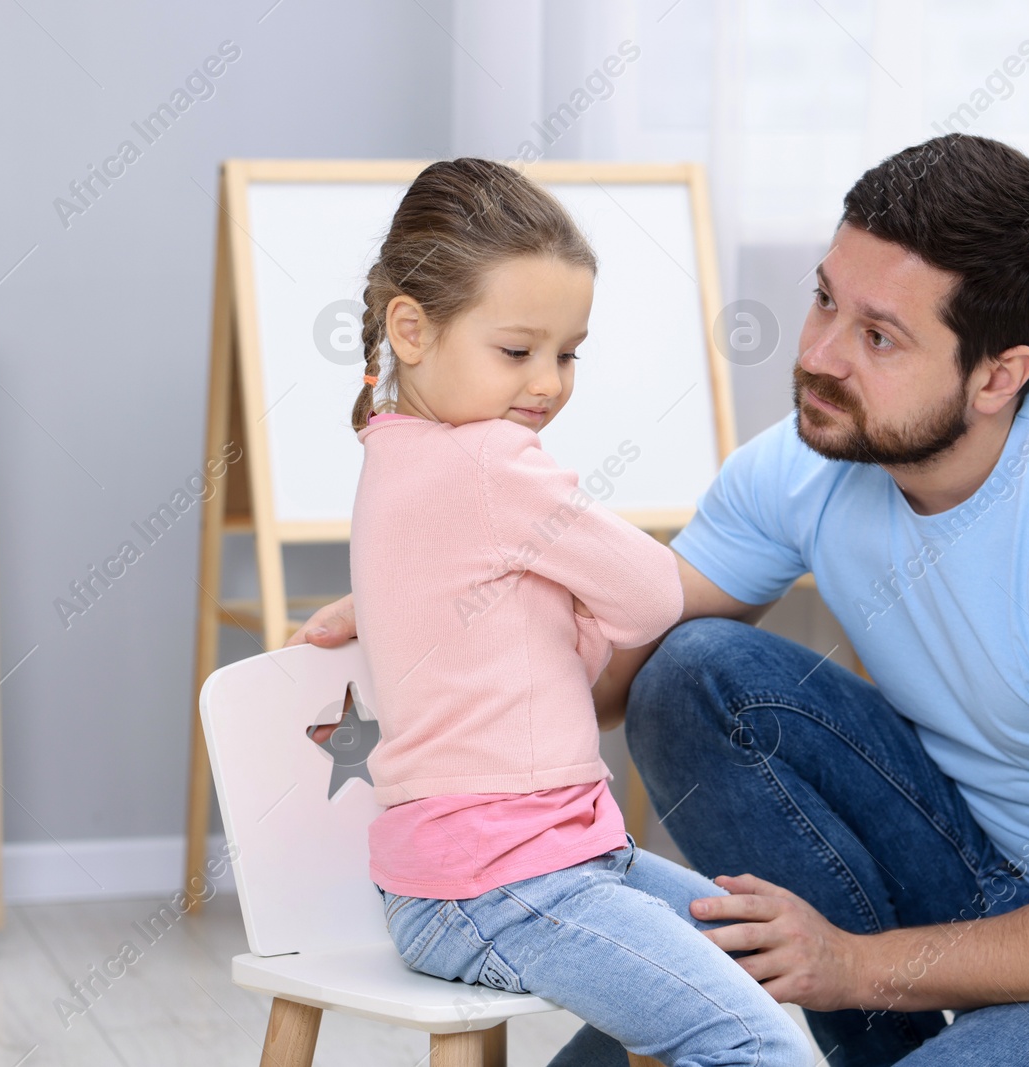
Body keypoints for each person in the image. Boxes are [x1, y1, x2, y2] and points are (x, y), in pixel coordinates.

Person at [293, 136, 1029, 1066]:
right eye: (823, 298)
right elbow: (635, 650)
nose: (817, 354)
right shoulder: (809, 457)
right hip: (974, 853)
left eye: (878, 336)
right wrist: (435, 587)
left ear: (996, 375)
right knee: (696, 670)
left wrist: (850, 965)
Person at [332, 157, 812, 1067]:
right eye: (517, 351)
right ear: (411, 328)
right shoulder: (492, 464)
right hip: (502, 880)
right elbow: (651, 597)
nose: (547, 382)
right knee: (757, 1044)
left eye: (568, 352)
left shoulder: (396, 454)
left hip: (521, 868)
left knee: (736, 963)